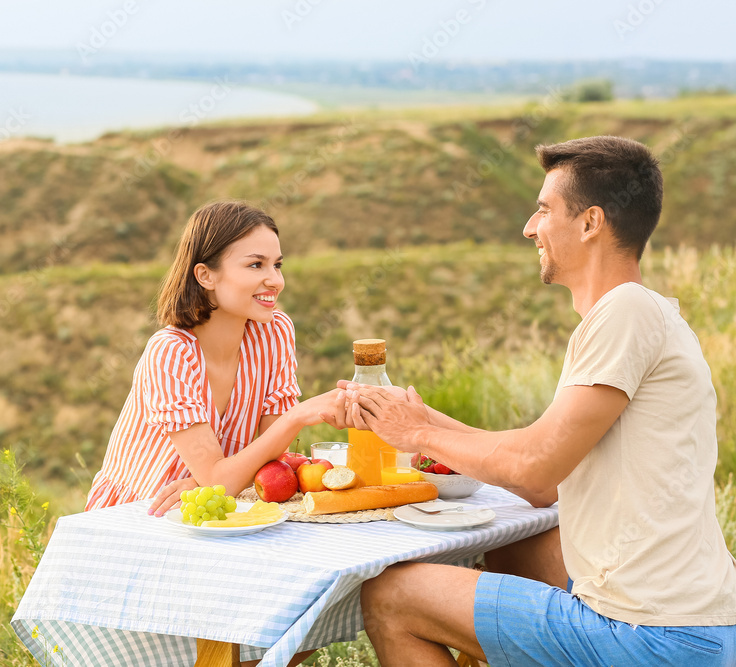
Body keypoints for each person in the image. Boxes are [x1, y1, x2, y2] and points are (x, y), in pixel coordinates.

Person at [334, 136, 736, 665]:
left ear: (590, 222)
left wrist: (418, 435)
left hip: (655, 633)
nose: (529, 227)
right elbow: (545, 478)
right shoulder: (635, 315)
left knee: (390, 596)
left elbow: (532, 467)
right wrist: (416, 416)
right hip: (694, 619)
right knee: (513, 550)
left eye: (544, 209)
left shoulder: (626, 312)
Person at [85, 200, 338, 514]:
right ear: (206, 276)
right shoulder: (171, 352)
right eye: (256, 265)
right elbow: (220, 477)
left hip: (220, 509)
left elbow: (272, 460)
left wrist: (207, 482)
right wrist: (298, 416)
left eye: (277, 265)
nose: (275, 280)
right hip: (142, 512)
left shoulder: (274, 334)